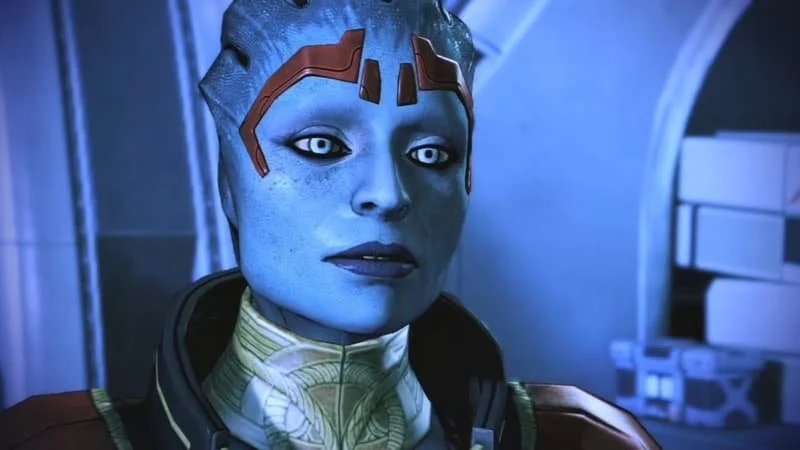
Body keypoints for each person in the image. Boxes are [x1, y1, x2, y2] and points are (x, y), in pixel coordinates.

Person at [0, 0, 660, 448]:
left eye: (431, 154)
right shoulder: (51, 443)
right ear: (230, 182)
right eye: (320, 145)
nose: (388, 195)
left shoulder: (586, 441)